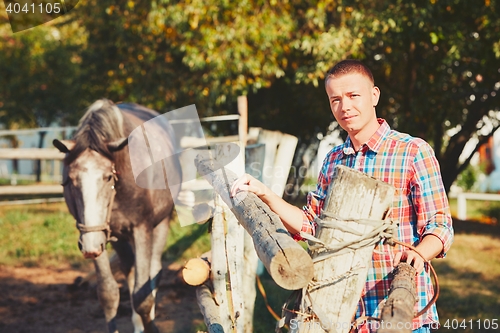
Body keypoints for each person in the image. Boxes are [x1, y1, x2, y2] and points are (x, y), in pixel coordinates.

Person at [231, 59, 454, 333]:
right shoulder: (333, 160)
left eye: (353, 96)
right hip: (344, 317)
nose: (344, 106)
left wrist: (420, 253)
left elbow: (440, 226)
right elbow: (312, 225)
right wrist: (265, 193)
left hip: (402, 312)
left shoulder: (412, 151)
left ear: (374, 96)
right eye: (335, 99)